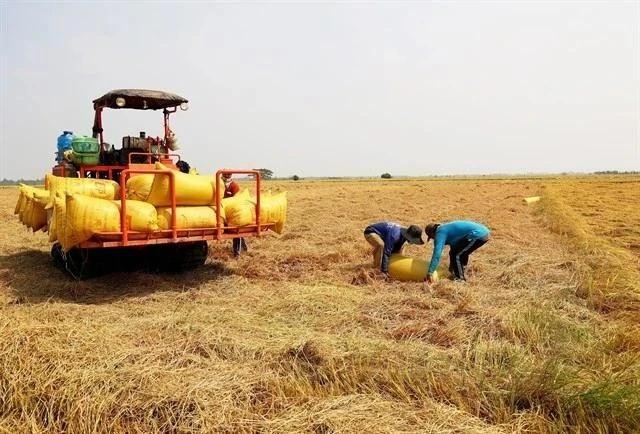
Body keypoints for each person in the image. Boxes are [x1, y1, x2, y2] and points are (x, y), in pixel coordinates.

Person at [424, 220, 490, 283]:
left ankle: (460, 279)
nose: (433, 239)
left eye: (432, 237)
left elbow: (437, 254)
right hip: (481, 232)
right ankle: (460, 271)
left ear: (432, 233)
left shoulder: (440, 233)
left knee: (457, 255)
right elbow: (454, 249)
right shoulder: (445, 228)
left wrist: (430, 272)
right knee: (456, 252)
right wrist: (450, 270)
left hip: (478, 235)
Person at [223, 173, 247, 256]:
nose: (226, 177)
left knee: (236, 231)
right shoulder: (220, 184)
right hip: (223, 210)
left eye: (228, 176)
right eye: (225, 176)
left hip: (233, 210)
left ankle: (237, 252)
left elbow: (237, 199)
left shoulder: (234, 186)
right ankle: (244, 247)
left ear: (230, 176)